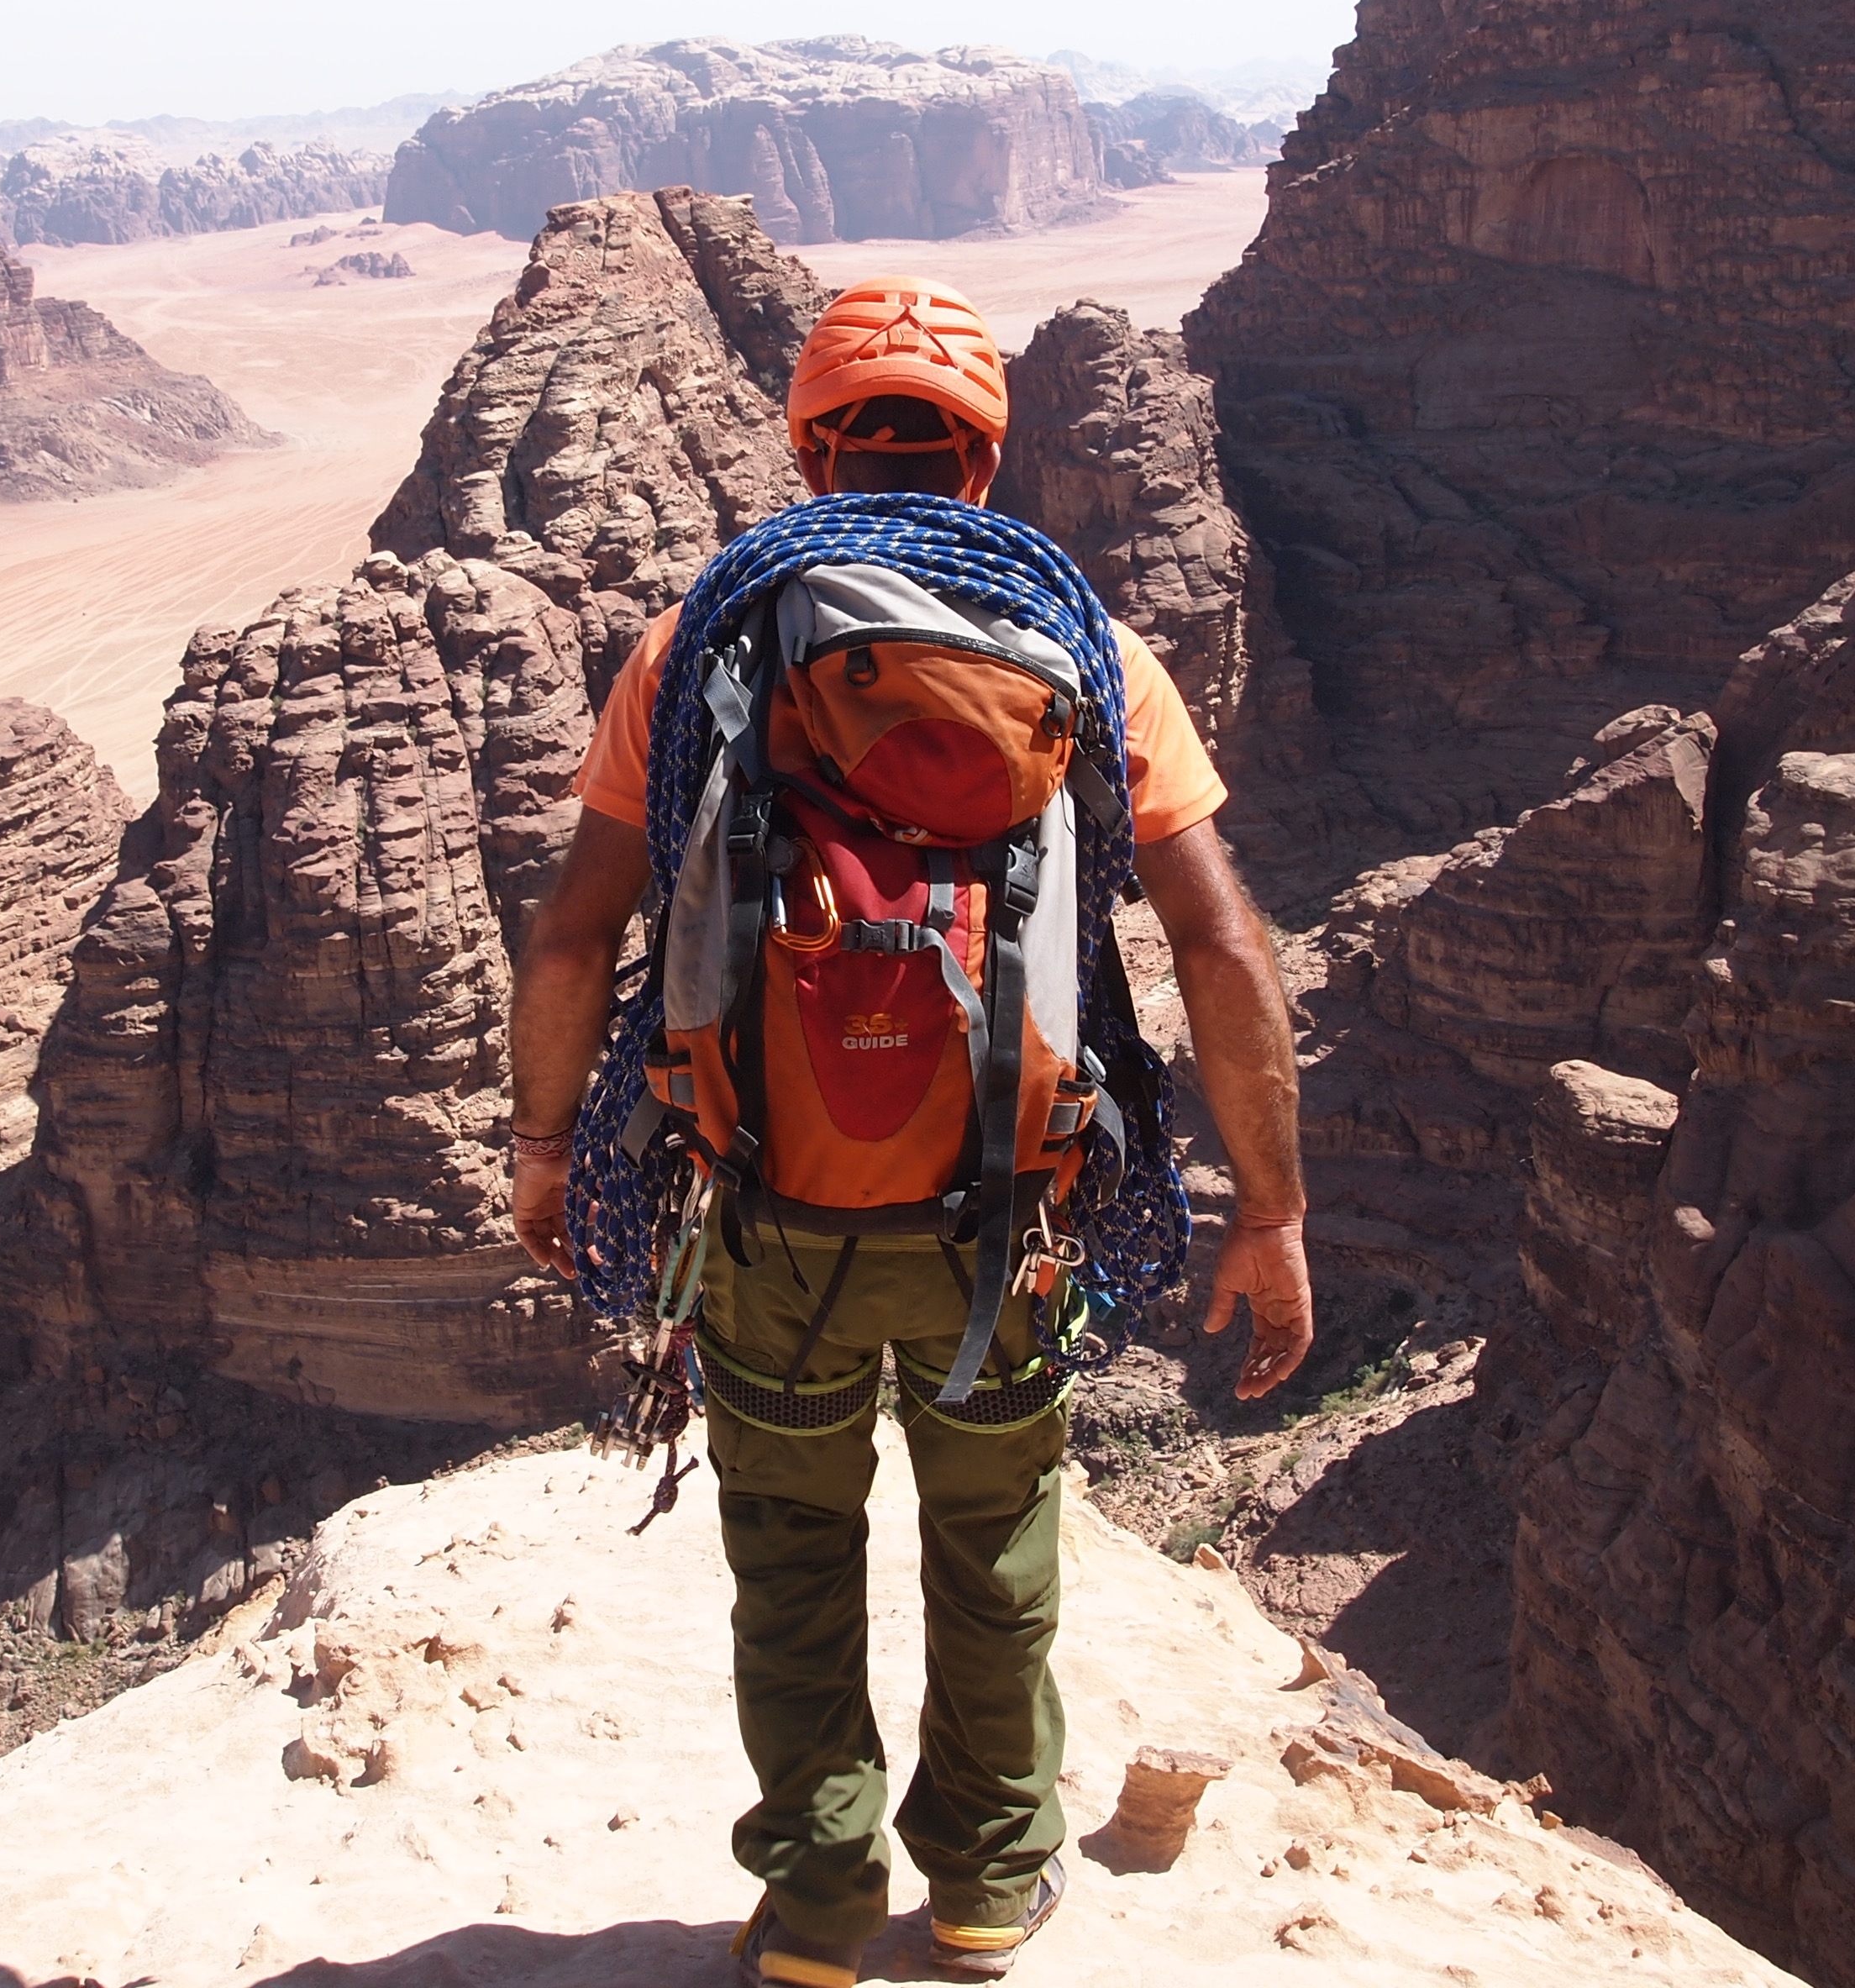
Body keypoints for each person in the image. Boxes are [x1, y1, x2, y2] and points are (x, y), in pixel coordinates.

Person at [505, 275, 1313, 1986]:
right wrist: (1273, 1208)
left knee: (791, 1562)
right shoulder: (1091, 652)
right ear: (985, 454)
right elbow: (1223, 942)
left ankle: (810, 1911)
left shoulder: (698, 642)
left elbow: (576, 932)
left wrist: (542, 1147)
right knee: (994, 1551)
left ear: (811, 445)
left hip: (759, 1211)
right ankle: (988, 1887)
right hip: (1002, 1222)